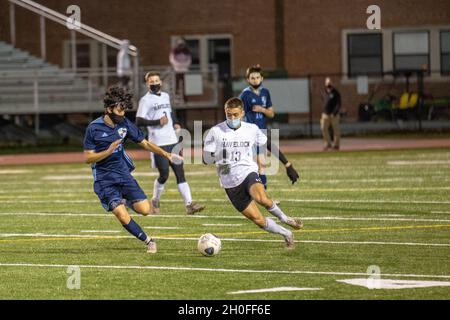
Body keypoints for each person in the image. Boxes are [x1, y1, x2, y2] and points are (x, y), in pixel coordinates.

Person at [83, 86, 181, 254]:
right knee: (121, 215)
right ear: (109, 108)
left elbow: (145, 143)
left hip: (123, 175)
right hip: (104, 179)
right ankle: (148, 240)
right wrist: (107, 151)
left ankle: (125, 200)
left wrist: (166, 154)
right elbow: (88, 158)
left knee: (145, 210)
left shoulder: (125, 124)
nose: (122, 114)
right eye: (119, 110)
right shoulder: (94, 128)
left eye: (124, 110)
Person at [203, 97, 303, 248]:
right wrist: (219, 155)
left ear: (242, 113)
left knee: (261, 198)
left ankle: (284, 218)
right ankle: (287, 233)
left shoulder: (251, 129)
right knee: (259, 220)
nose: (232, 118)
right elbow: (205, 158)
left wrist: (287, 164)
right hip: (229, 181)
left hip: (248, 171)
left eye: (235, 114)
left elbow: (268, 144)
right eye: (228, 115)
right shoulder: (215, 131)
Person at [136, 71, 205, 215]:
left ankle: (189, 204)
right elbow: (139, 120)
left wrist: (176, 123)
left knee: (180, 173)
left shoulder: (166, 96)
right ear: (147, 83)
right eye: (151, 81)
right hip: (157, 143)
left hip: (172, 140)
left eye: (156, 80)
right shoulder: (145, 100)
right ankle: (155, 200)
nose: (155, 83)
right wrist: (157, 122)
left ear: (160, 82)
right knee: (164, 175)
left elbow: (170, 113)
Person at [239, 65, 300, 189]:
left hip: (261, 131)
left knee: (261, 165)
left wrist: (262, 109)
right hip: (250, 134)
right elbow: (239, 113)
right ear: (248, 79)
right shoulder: (245, 95)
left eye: (257, 77)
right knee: (257, 164)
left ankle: (262, 194)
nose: (255, 80)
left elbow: (271, 113)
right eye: (252, 78)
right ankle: (256, 194)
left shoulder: (265, 92)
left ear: (262, 78)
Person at [320, 77, 341, 151]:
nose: (328, 85)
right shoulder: (324, 92)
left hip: (334, 115)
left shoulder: (336, 93)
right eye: (327, 83)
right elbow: (323, 101)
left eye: (329, 83)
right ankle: (327, 143)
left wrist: (334, 112)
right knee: (323, 128)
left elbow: (338, 104)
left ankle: (336, 145)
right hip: (325, 114)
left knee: (336, 130)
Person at [169, 37, 192, 103]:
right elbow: (172, 60)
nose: (181, 46)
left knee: (185, 86)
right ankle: (176, 98)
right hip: (177, 70)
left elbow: (189, 60)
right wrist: (179, 65)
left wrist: (184, 66)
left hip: (185, 70)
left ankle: (185, 98)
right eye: (180, 45)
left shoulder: (187, 52)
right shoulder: (174, 51)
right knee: (177, 85)